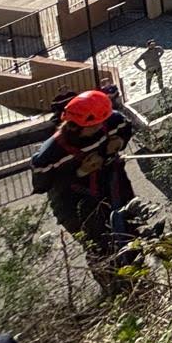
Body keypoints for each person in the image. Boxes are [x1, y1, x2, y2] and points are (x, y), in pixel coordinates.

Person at [29, 89, 139, 278]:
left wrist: (119, 142)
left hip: (112, 180)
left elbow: (126, 128)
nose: (101, 126)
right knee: (100, 245)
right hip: (73, 201)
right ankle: (116, 287)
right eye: (96, 125)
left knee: (130, 226)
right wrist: (80, 172)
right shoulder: (50, 153)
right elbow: (42, 184)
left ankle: (139, 272)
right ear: (75, 126)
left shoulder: (111, 121)